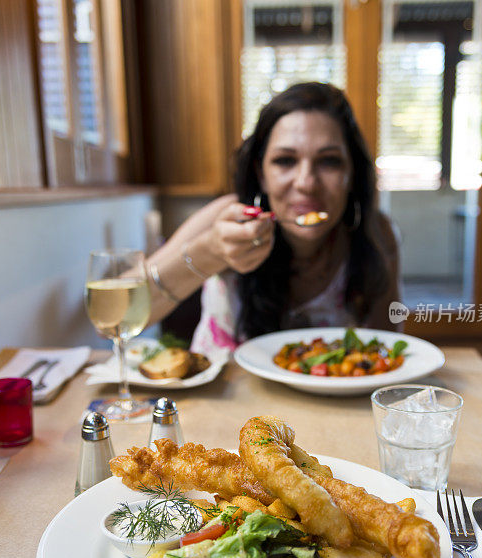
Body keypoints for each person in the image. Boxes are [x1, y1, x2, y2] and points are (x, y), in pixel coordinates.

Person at [145, 82, 401, 357]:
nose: (306, 183)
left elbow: (386, 354)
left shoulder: (377, 234)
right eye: (285, 160)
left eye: (329, 161)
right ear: (261, 173)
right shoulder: (226, 221)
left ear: (351, 174)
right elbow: (119, 317)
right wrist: (210, 251)